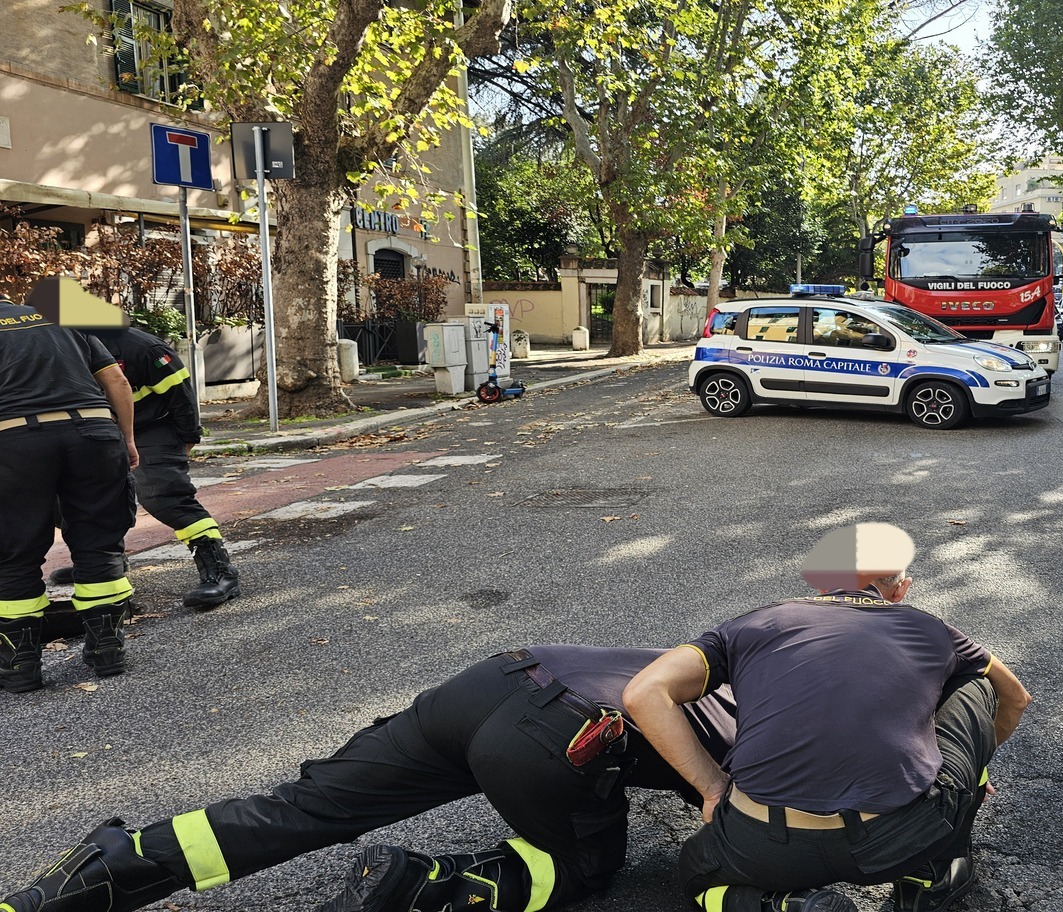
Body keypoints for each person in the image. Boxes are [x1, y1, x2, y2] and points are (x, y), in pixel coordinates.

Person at [1, 644, 738, 912]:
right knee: (586, 868)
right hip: (560, 733)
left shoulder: (723, 656)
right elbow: (738, 828)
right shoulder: (776, 731)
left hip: (486, 682)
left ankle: (88, 880)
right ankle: (417, 888)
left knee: (303, 807)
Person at [624, 523, 1032, 912]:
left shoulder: (752, 624)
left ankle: (785, 905)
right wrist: (969, 763)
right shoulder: (934, 629)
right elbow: (1015, 697)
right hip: (902, 838)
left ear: (821, 582)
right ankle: (930, 879)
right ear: (901, 590)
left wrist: (713, 788)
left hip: (763, 844)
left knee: (699, 879)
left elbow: (644, 692)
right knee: (978, 682)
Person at [0, 289, 139, 694]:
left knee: (13, 552)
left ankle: (19, 666)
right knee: (99, 541)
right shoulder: (54, 317)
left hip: (15, 441)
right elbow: (116, 379)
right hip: (93, 433)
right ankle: (107, 652)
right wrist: (127, 439)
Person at [47, 325, 241, 608]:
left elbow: (180, 392)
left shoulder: (142, 348)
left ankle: (220, 570)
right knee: (63, 499)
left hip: (153, 426)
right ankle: (105, 561)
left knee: (163, 494)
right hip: (97, 427)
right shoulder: (59, 344)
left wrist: (188, 436)